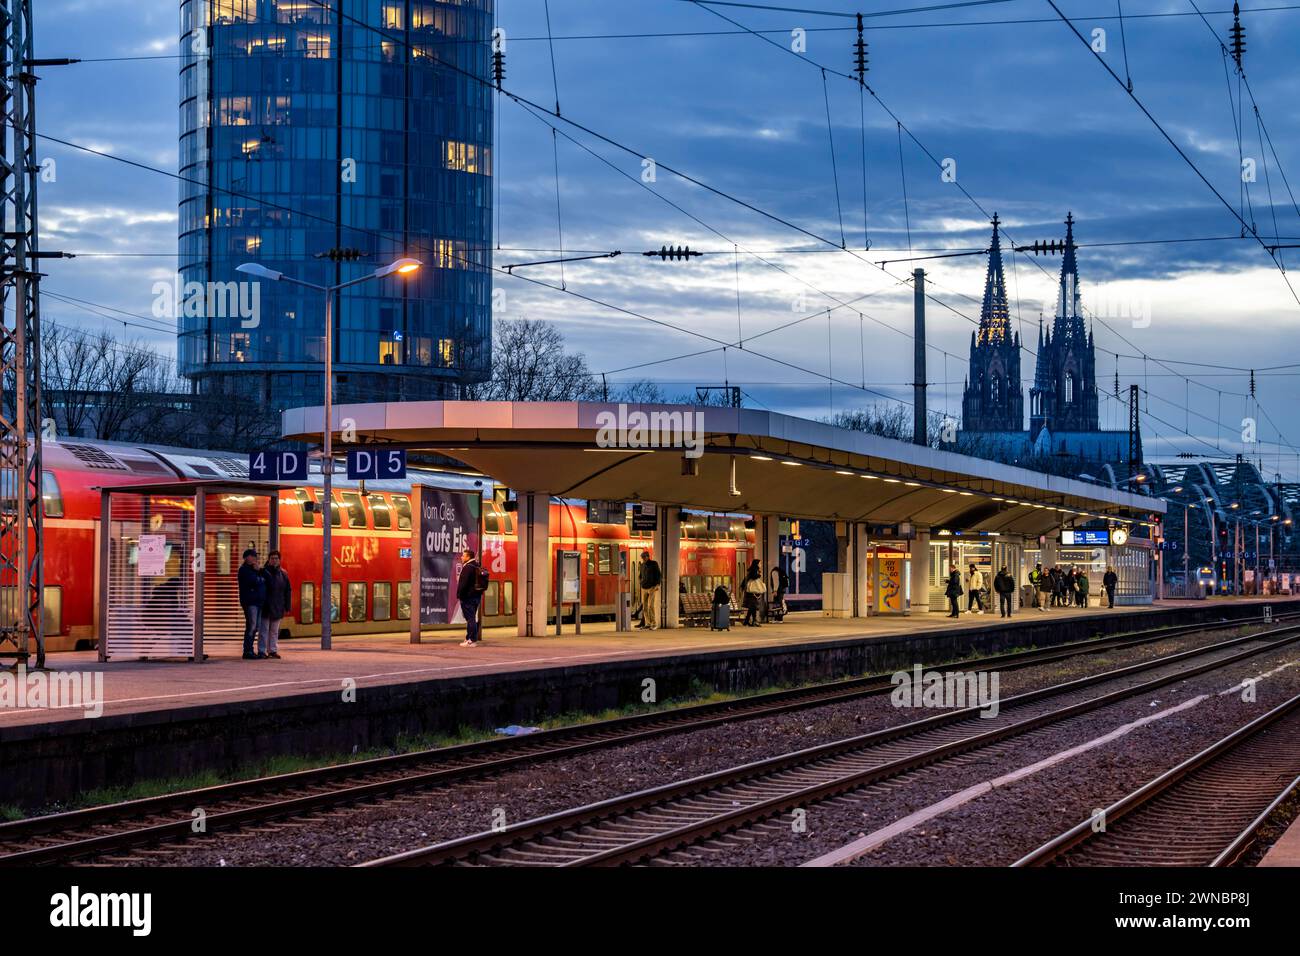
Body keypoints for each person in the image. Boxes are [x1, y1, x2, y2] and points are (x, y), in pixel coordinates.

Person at [258, 549, 291, 659]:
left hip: (278, 605)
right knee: (264, 630)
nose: (274, 560)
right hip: (266, 606)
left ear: (279, 560)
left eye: (276, 558)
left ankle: (272, 650)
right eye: (272, 558)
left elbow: (287, 590)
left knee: (274, 631)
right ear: (268, 560)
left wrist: (287, 605)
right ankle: (262, 651)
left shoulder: (284, 574)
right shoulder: (263, 572)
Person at [456, 548, 489, 646]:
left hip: (467, 597)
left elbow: (464, 583)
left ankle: (471, 640)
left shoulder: (468, 567)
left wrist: (460, 595)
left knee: (470, 619)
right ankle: (468, 638)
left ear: (468, 557)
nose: (461, 557)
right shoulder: (476, 565)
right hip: (476, 596)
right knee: (472, 618)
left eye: (463, 555)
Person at [238, 548, 265, 660]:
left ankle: (250, 649)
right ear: (246, 557)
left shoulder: (254, 569)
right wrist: (258, 576)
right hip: (250, 602)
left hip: (257, 601)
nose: (255, 558)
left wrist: (259, 571)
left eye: (255, 556)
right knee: (252, 626)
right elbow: (255, 581)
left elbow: (265, 579)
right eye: (252, 556)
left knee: (255, 626)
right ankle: (247, 650)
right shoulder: (244, 570)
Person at [638, 551, 663, 630]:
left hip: (652, 587)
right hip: (644, 587)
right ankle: (647, 623)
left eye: (644, 557)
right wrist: (640, 582)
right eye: (642, 557)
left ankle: (654, 624)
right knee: (644, 607)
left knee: (650, 606)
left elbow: (658, 574)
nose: (643, 559)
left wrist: (658, 584)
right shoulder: (642, 565)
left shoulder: (654, 564)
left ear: (648, 557)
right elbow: (640, 575)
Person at [742, 561, 766, 626]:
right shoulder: (754, 571)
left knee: (752, 607)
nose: (760, 564)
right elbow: (754, 577)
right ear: (757, 564)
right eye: (760, 563)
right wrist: (759, 574)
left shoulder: (752, 571)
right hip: (753, 592)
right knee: (754, 607)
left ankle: (747, 621)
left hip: (751, 592)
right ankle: (754, 621)